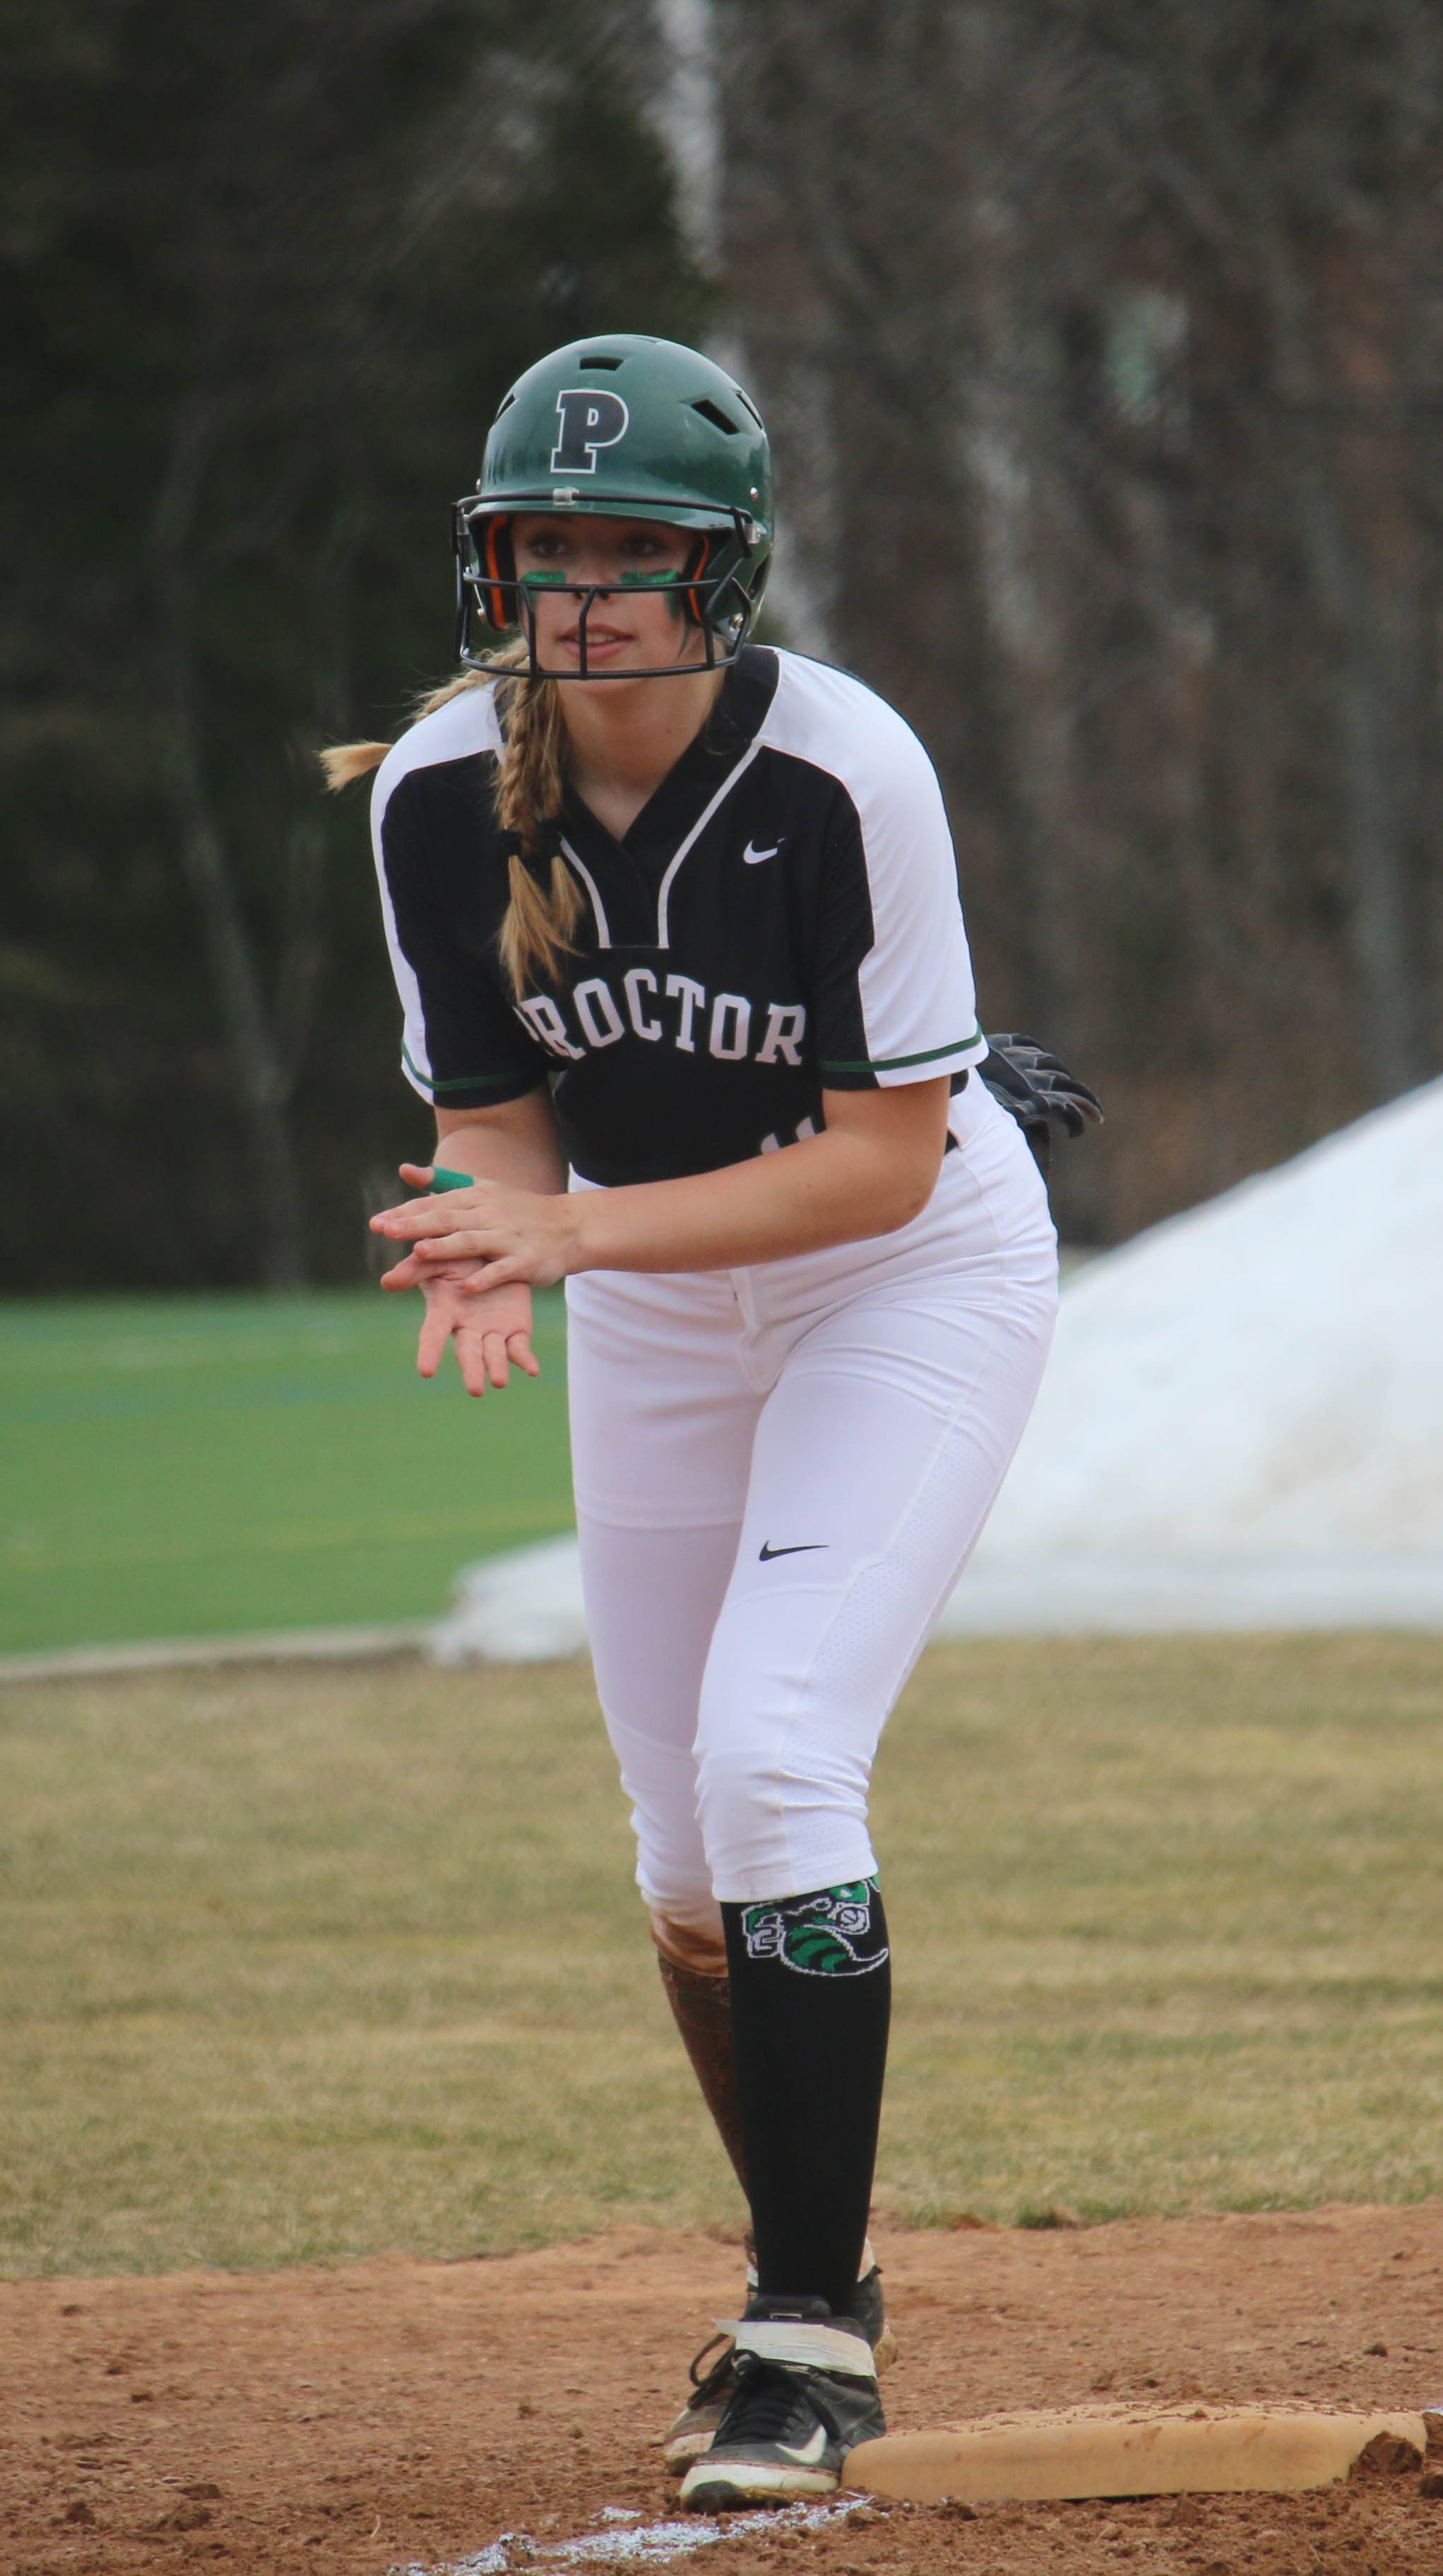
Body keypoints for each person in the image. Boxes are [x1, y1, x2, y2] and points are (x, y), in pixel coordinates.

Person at [326, 334, 1061, 2512]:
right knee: (678, 1848)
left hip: (898, 1273)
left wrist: (565, 1234)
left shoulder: (847, 769)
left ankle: (806, 2330)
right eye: (546, 546)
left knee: (774, 1752)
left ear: (723, 565)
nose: (585, 590)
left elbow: (878, 1163)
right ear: (488, 563)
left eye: (630, 543)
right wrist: (486, 1236)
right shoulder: (438, 793)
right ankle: (798, 2274)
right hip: (652, 1296)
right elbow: (493, 1123)